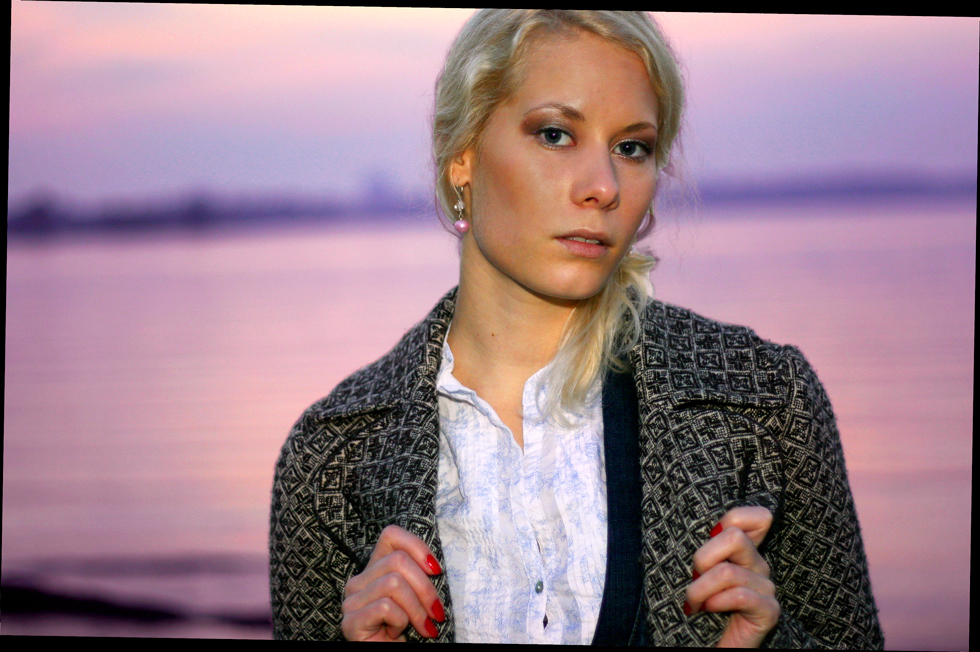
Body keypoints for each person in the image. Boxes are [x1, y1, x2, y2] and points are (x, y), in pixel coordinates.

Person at [270, 9, 884, 647]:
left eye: (631, 148)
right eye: (557, 134)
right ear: (462, 156)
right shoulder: (331, 456)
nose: (603, 187)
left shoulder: (766, 400)